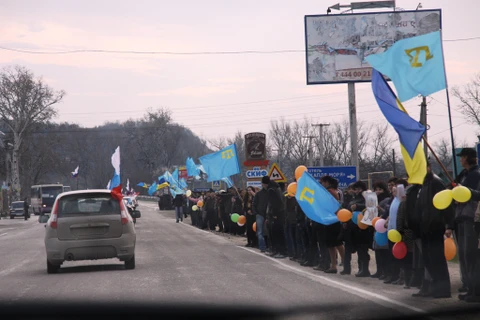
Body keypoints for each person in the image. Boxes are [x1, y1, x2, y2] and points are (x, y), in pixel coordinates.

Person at [412, 162, 453, 299]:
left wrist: (449, 225)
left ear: (428, 168)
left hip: (435, 226)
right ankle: (434, 288)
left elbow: (446, 203)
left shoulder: (436, 182)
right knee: (429, 260)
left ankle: (443, 290)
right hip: (425, 227)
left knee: (437, 260)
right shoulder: (423, 185)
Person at [454, 148, 480, 302]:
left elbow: (476, 194)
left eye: (462, 157)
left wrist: (465, 192)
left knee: (471, 255)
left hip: (473, 218)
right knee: (464, 255)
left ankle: (475, 291)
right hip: (462, 217)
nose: (460, 160)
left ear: (469, 158)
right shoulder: (465, 175)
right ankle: (470, 288)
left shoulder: (476, 175)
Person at [384, 179, 408, 284]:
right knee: (392, 254)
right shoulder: (394, 200)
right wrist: (387, 220)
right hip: (391, 231)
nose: (394, 190)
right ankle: (395, 275)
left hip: (399, 231)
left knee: (400, 255)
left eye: (396, 188)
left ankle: (402, 276)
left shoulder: (402, 200)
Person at [320, 176, 345, 274]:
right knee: (330, 244)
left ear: (327, 182)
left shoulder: (331, 192)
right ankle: (333, 265)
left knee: (337, 243)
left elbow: (331, 205)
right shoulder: (329, 191)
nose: (321, 184)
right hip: (328, 219)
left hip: (333, 219)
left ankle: (344, 262)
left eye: (322, 182)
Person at [370, 181, 390, 279]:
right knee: (377, 250)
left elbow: (386, 212)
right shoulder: (373, 200)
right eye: (376, 190)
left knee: (384, 250)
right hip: (376, 226)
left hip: (384, 226)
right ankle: (379, 270)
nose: (378, 192)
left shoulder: (386, 200)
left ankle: (385, 271)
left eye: (380, 189)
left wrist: (380, 209)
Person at [267, 179, 287, 258]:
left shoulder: (272, 190)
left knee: (277, 234)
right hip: (280, 214)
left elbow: (274, 203)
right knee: (278, 234)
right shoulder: (278, 190)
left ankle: (281, 251)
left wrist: (274, 214)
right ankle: (279, 251)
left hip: (277, 215)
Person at [253, 177, 269, 253]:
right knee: (260, 232)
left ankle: (269, 246)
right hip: (260, 214)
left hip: (268, 214)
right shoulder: (259, 194)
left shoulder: (270, 192)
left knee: (268, 231)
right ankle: (262, 247)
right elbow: (254, 203)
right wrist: (256, 212)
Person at [284, 190, 297, 259]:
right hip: (288, 220)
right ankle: (292, 253)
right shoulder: (287, 200)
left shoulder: (295, 200)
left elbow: (291, 208)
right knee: (290, 237)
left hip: (294, 220)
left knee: (294, 238)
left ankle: (295, 253)